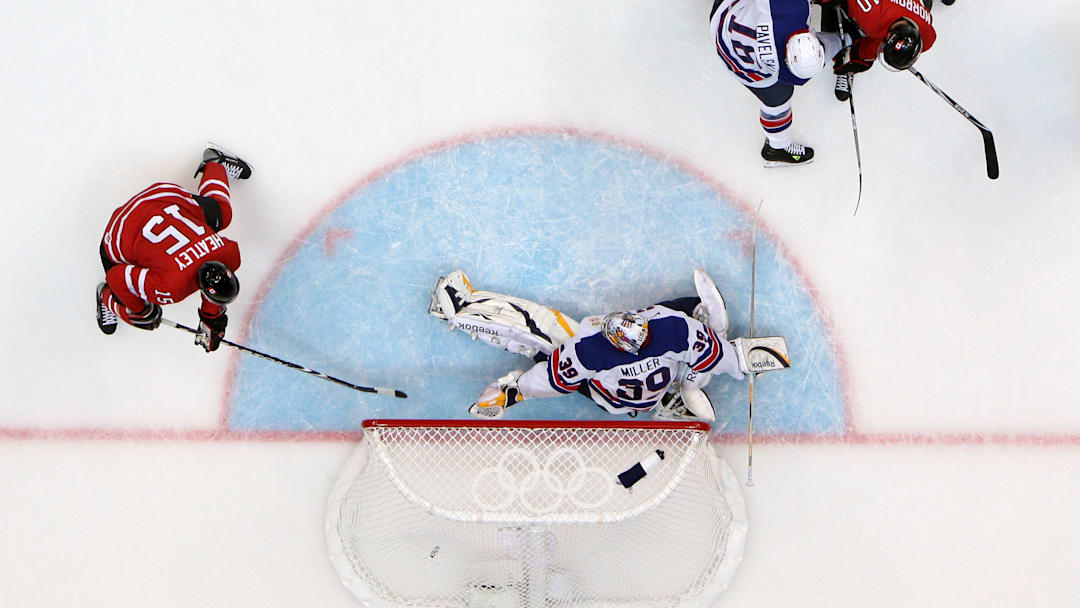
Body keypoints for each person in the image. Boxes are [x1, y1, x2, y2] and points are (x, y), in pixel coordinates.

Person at [429, 269, 790, 420]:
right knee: (690, 326)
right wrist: (743, 358)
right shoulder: (673, 331)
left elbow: (549, 383)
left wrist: (513, 392)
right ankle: (677, 393)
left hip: (607, 396)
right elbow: (727, 357)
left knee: (540, 327)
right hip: (648, 392)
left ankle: (458, 310)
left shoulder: (589, 351)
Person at [95, 146, 252, 352]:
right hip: (121, 228)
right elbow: (117, 276)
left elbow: (206, 274)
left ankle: (215, 165)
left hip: (164, 195)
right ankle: (106, 298)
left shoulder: (229, 253)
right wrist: (141, 309)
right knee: (139, 315)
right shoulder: (170, 287)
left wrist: (211, 317)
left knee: (222, 214)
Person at [710, 0, 843, 166]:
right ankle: (778, 147)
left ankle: (778, 145)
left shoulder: (789, 9)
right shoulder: (792, 70)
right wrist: (848, 38)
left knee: (777, 95)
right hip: (741, 53)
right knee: (779, 99)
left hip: (724, 25)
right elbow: (830, 45)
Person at [817, 0, 937, 101]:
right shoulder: (869, 13)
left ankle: (848, 60)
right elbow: (878, 41)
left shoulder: (927, 37)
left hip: (886, 12)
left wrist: (855, 57)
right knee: (835, 11)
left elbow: (877, 43)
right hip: (874, 11)